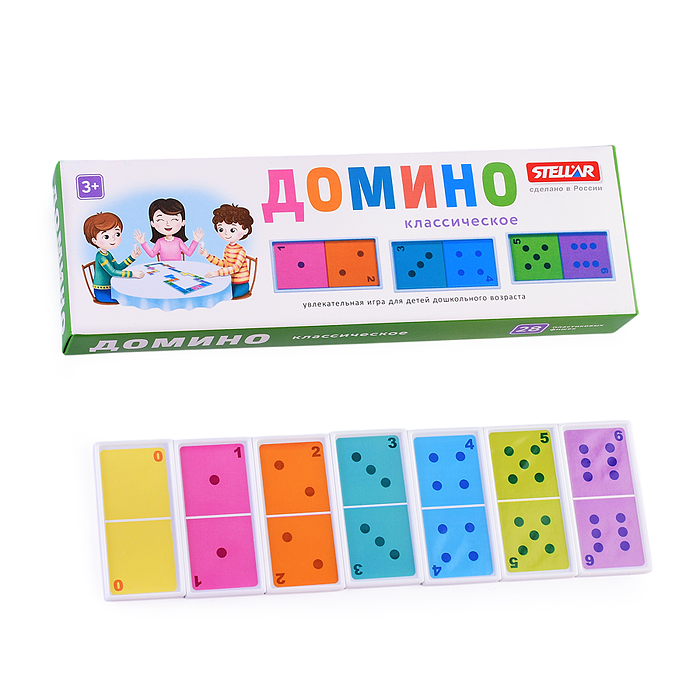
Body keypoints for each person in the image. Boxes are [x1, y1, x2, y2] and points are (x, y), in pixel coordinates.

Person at [84, 212, 144, 303]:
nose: (113, 239)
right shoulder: (101, 257)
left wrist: (132, 257)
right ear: (94, 240)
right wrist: (132, 274)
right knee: (129, 299)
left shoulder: (108, 254)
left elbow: (118, 267)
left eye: (117, 234)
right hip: (103, 292)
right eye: (106, 236)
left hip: (111, 288)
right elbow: (112, 272)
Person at [199, 204, 253, 298]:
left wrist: (218, 273)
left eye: (232, 230)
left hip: (241, 284)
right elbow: (225, 264)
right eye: (221, 229)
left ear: (245, 230)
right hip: (229, 281)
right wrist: (207, 256)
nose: (226, 233)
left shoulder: (241, 251)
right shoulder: (228, 247)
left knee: (222, 296)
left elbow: (235, 268)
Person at [133, 198, 203, 260]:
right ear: (152, 223)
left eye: (174, 219)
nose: (167, 224)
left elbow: (189, 253)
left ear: (183, 222)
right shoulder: (160, 241)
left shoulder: (178, 241)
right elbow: (152, 254)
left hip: (178, 267)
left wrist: (195, 241)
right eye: (161, 220)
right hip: (164, 267)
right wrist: (143, 243)